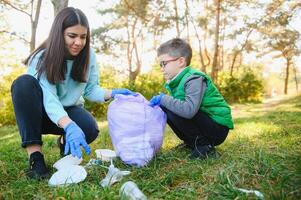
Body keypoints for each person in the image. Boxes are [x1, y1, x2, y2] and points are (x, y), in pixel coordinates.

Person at [11, 7, 135, 179]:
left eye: (83, 37)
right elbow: (49, 98)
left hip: (68, 110)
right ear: (59, 34)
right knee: (22, 83)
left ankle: (64, 144)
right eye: (72, 36)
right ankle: (36, 158)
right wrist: (69, 125)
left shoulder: (89, 56)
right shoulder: (41, 57)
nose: (78, 42)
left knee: (90, 128)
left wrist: (113, 93)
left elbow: (91, 89)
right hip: (39, 114)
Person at [149, 38, 233, 159]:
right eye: (160, 65)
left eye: (164, 63)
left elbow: (189, 111)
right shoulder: (178, 81)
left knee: (171, 105)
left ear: (181, 61)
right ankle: (191, 142)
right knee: (167, 107)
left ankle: (204, 146)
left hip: (217, 129)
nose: (162, 68)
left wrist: (164, 99)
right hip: (207, 124)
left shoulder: (193, 79)